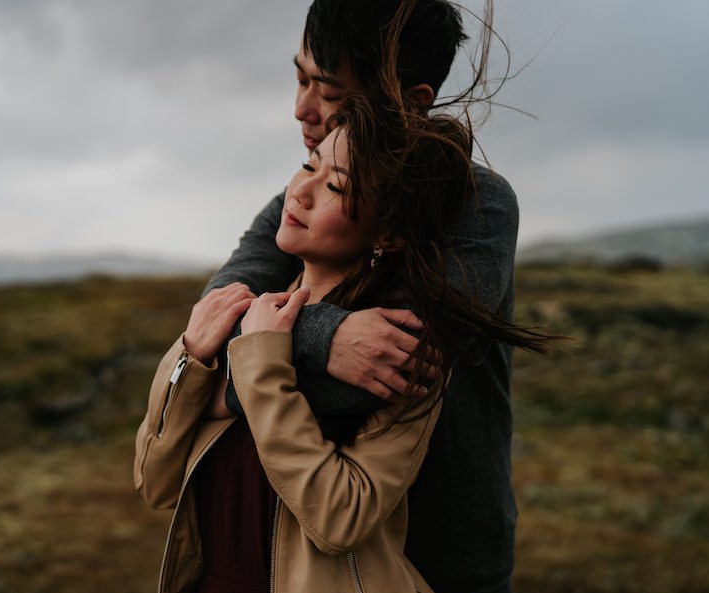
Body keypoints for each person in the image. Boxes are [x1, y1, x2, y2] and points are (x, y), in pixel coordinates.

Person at [201, 1, 523, 592]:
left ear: (413, 102)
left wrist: (230, 373)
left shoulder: (477, 205)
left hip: (444, 555)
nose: (301, 109)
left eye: (328, 90)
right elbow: (211, 321)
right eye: (300, 78)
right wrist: (324, 337)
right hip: (302, 556)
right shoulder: (299, 201)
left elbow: (382, 376)